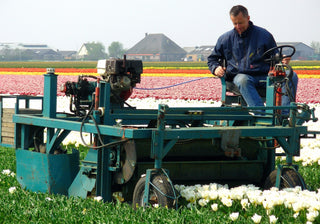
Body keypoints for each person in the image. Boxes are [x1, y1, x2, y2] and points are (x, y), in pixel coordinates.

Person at [207, 5, 298, 111]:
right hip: (239, 78)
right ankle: (261, 114)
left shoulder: (264, 35)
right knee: (243, 79)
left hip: (265, 76)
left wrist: (282, 59)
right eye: (235, 23)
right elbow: (212, 59)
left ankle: (285, 114)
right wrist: (215, 68)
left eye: (240, 23)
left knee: (291, 75)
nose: (238, 26)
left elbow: (275, 56)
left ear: (248, 18)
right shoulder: (225, 39)